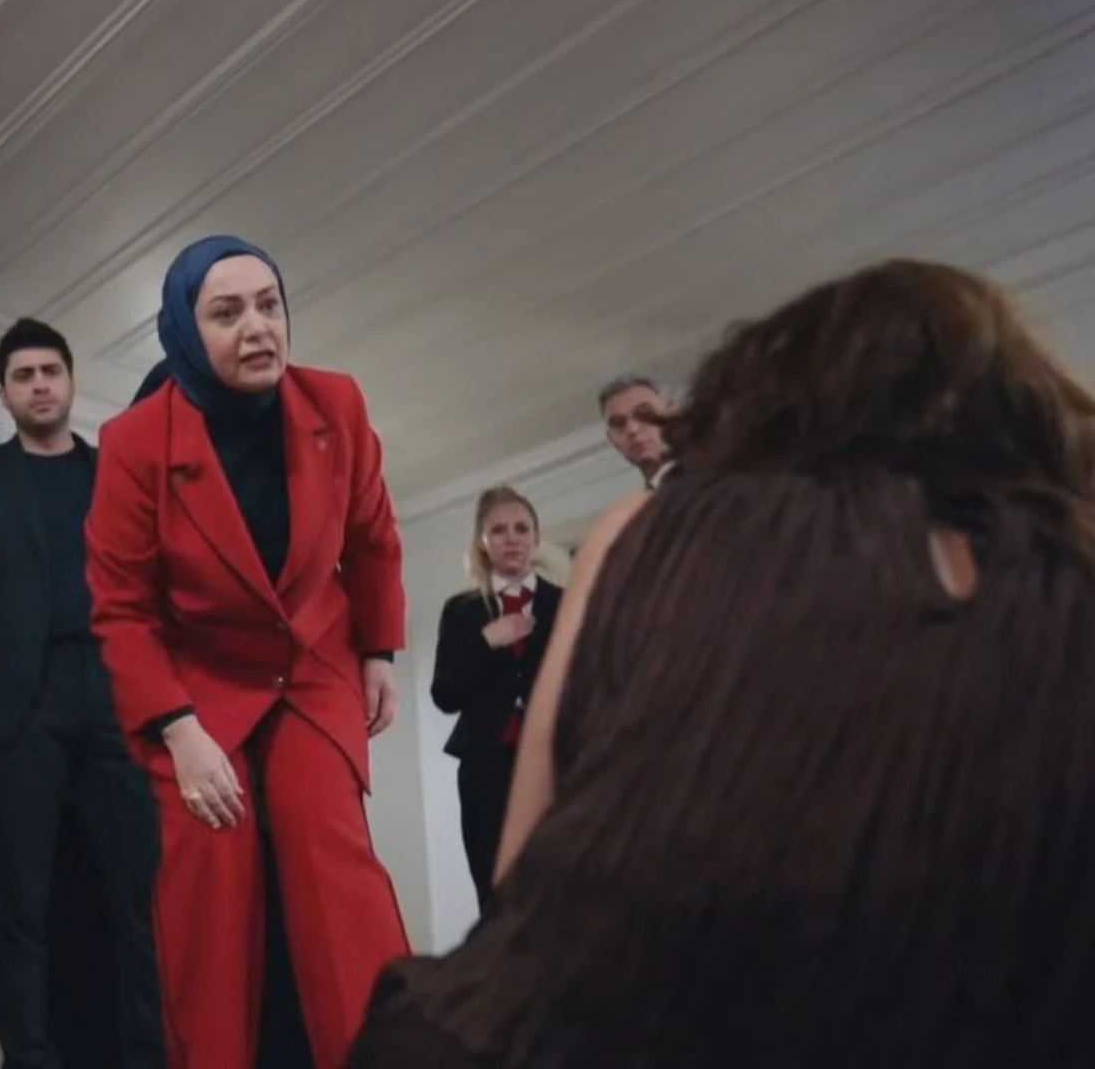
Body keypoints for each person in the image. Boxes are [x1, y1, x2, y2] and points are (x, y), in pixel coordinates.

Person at [350, 260, 1095, 1067]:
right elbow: (451, 699)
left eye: (521, 527)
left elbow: (524, 891)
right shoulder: (478, 606)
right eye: (617, 423)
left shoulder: (638, 538)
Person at [86, 235, 410, 1068]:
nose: (258, 327)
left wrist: (379, 650)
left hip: (312, 663)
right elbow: (122, 611)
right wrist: (178, 732)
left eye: (269, 305)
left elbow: (371, 539)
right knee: (210, 867)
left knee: (327, 845)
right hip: (195, 684)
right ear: (186, 334)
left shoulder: (337, 403)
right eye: (226, 313)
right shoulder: (134, 442)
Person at [0, 318, 165, 1068]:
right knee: (19, 898)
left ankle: (144, 1054)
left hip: (114, 692)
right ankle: (31, 1056)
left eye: (49, 371)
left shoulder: (113, 472)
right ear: (4, 394)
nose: (39, 386)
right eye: (23, 376)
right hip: (15, 704)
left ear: (70, 381)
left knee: (136, 890)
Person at [428, 486, 561, 910]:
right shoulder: (461, 611)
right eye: (498, 530)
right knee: (495, 889)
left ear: (537, 537)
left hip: (554, 763)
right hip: (484, 768)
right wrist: (486, 641)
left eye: (521, 528)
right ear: (482, 542)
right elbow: (444, 695)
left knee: (559, 885)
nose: (511, 539)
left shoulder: (567, 602)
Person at [596, 374, 673, 488]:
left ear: (671, 419)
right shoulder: (645, 498)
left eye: (644, 414)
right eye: (618, 423)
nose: (632, 430)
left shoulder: (701, 477)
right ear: (613, 441)